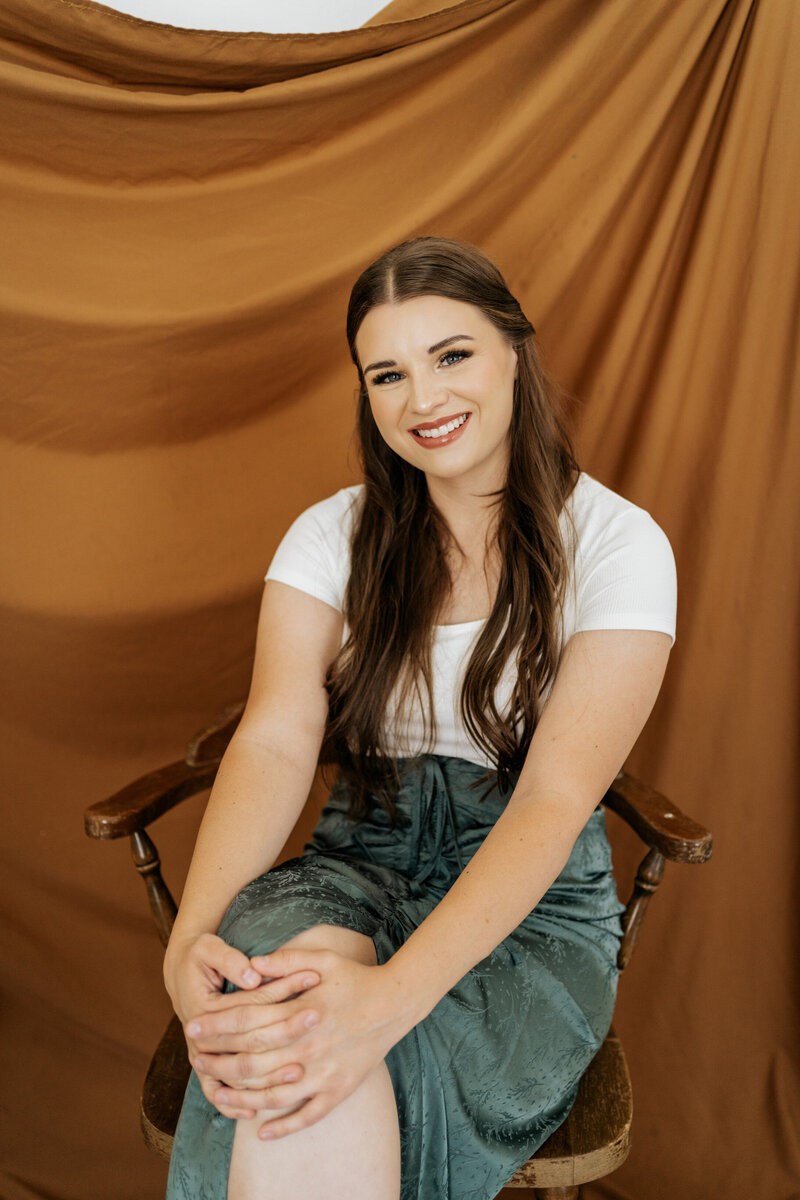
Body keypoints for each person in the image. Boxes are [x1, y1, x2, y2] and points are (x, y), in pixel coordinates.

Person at [163, 236, 676, 1200]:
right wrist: (187, 941)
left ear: (513, 352)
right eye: (387, 374)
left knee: (342, 1053)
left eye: (452, 355)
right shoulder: (333, 536)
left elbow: (556, 797)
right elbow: (274, 738)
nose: (423, 399)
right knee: (287, 1009)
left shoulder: (616, 544)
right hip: (358, 857)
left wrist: (389, 1003)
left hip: (531, 898)